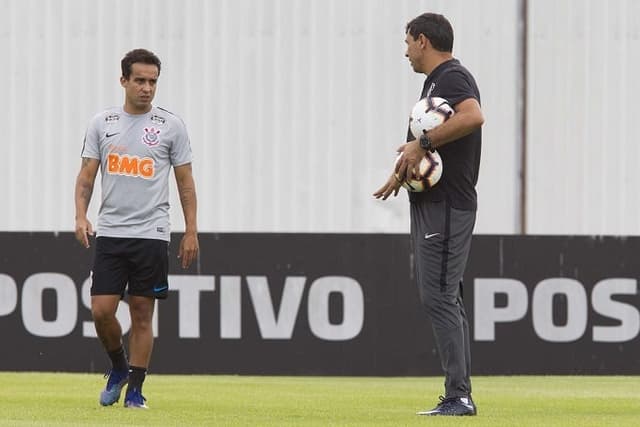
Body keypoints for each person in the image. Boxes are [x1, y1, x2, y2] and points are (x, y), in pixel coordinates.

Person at [74, 48, 199, 409]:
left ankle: (137, 392)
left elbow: (186, 183)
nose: (147, 88)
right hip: (112, 231)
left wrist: (191, 231)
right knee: (101, 310)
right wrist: (81, 215)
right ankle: (118, 367)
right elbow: (86, 177)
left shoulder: (170, 126)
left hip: (152, 233)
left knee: (143, 312)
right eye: (140, 80)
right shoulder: (103, 123)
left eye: (153, 82)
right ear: (124, 81)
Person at [374, 13, 484, 416]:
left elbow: (473, 117)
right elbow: (426, 149)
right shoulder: (435, 84)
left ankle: (460, 396)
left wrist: (422, 142)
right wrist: (400, 173)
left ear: (423, 40)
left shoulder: (453, 76)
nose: (405, 51)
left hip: (447, 206)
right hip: (433, 205)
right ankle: (458, 393)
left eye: (407, 42)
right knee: (444, 296)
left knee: (438, 295)